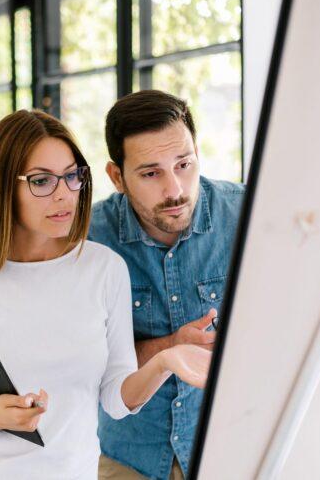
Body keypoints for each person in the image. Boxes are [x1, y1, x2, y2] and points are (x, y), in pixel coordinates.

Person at [0, 109, 212, 479]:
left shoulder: (104, 269)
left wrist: (167, 360)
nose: (64, 195)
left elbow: (116, 400)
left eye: (72, 176)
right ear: (4, 186)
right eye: (42, 181)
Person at [90, 90, 245, 480]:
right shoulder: (90, 239)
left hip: (228, 453)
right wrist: (171, 347)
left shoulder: (247, 215)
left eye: (184, 164)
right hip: (127, 459)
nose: (174, 189)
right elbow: (89, 367)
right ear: (116, 177)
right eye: (150, 173)